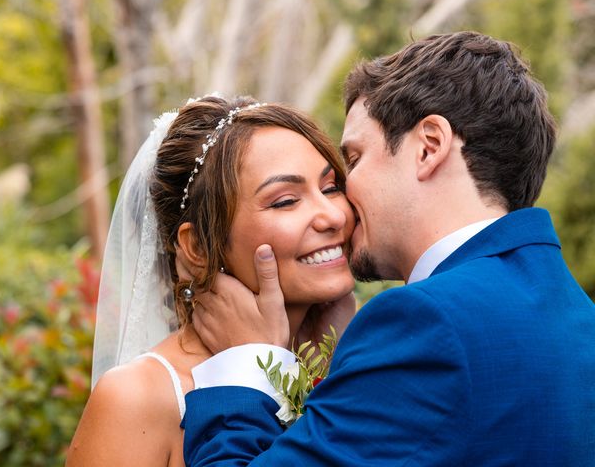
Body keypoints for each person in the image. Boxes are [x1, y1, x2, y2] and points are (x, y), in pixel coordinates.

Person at [181, 32, 595, 465]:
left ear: (429, 146)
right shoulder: (578, 317)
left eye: (354, 160)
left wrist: (246, 360)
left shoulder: (428, 324)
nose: (339, 210)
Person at [65, 96, 357, 467]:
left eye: (331, 188)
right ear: (198, 247)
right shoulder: (138, 397)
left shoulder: (349, 359)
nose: (332, 215)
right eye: (285, 201)